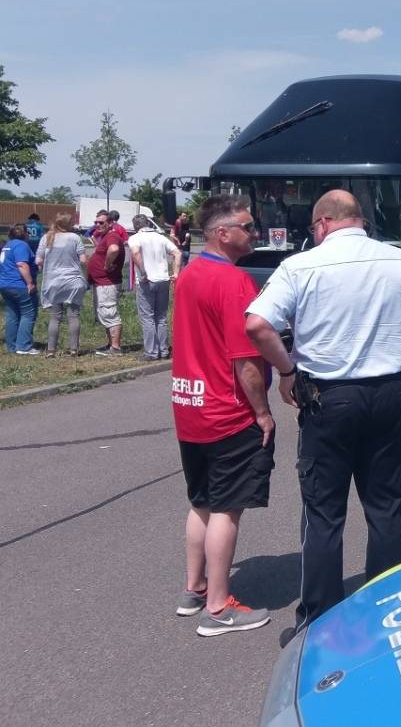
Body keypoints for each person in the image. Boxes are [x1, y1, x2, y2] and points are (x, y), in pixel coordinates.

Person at [245, 189, 401, 644]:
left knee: (323, 513)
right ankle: (390, 608)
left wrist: (287, 371)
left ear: (323, 223)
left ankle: (320, 624)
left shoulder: (301, 266)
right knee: (384, 506)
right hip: (391, 393)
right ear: (360, 221)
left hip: (328, 399)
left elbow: (257, 324)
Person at [170, 196, 275, 637]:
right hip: (227, 411)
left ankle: (194, 588)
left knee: (202, 501)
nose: (255, 233)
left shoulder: (190, 274)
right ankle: (218, 607)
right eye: (247, 227)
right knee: (227, 509)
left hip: (189, 405)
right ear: (222, 233)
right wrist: (263, 412)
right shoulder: (233, 282)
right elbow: (245, 359)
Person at [128, 213, 180, 360]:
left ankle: (151, 352)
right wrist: (176, 272)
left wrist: (143, 272)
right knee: (161, 316)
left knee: (147, 317)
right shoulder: (160, 237)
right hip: (163, 279)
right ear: (148, 223)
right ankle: (163, 349)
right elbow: (177, 253)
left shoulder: (135, 238)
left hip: (147, 281)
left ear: (135, 226)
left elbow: (135, 253)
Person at [36, 213, 88, 357]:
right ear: (69, 224)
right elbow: (83, 260)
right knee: (73, 316)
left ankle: (51, 350)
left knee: (55, 317)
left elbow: (38, 260)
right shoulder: (75, 238)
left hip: (53, 281)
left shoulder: (47, 237)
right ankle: (74, 349)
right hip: (73, 281)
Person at [87, 214, 125, 356]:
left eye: (101, 222)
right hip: (101, 282)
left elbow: (114, 249)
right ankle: (111, 344)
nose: (98, 225)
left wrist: (107, 265)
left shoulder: (112, 236)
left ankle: (115, 348)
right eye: (96, 222)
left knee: (109, 312)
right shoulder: (105, 236)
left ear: (110, 223)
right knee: (104, 313)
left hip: (107, 283)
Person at [1, 224, 38, 354]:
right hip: (19, 284)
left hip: (5, 284)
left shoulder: (7, 245)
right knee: (28, 313)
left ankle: (11, 345)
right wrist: (30, 282)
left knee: (12, 314)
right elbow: (21, 264)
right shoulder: (21, 245)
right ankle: (23, 346)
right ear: (25, 234)